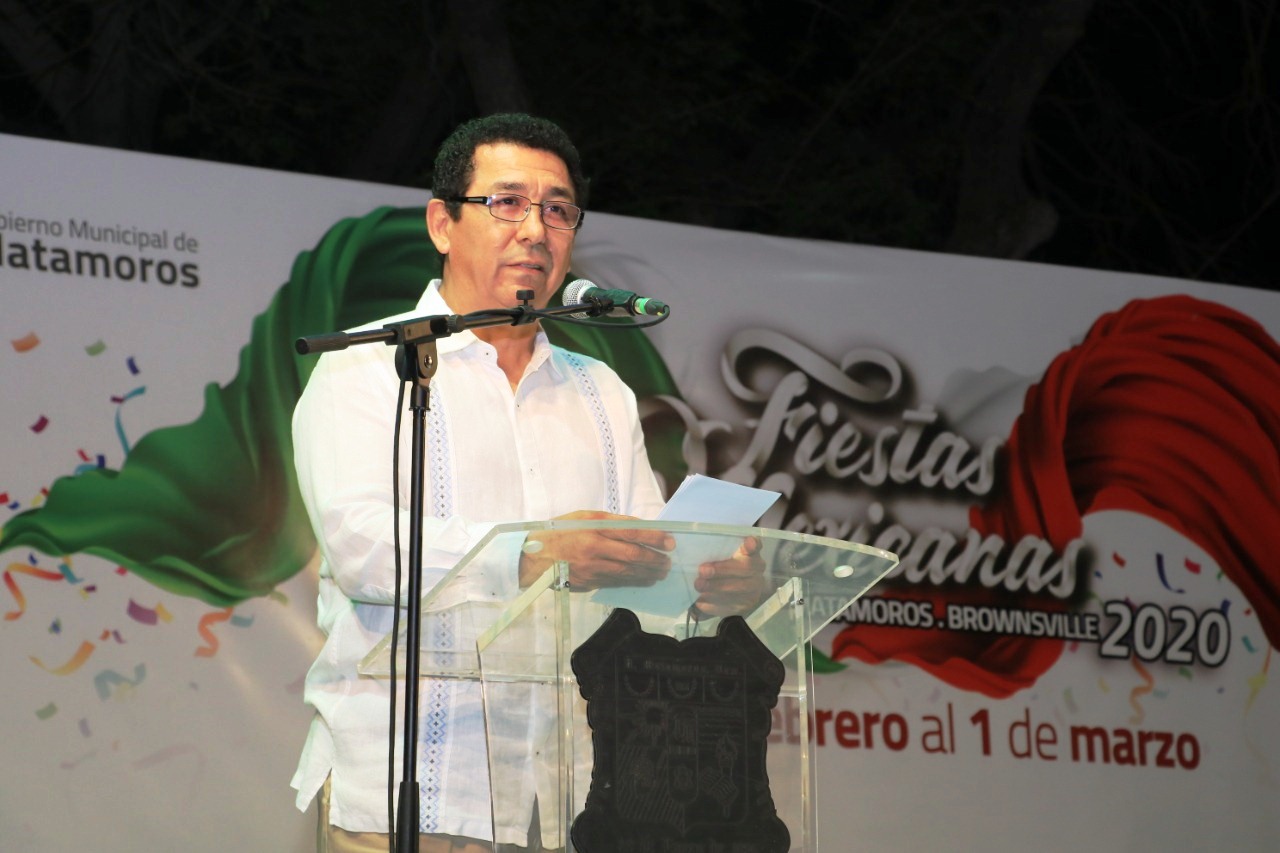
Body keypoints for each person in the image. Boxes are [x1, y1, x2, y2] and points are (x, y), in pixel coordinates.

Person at [290, 113, 762, 853]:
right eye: (507, 203)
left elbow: (645, 566)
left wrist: (709, 585)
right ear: (442, 224)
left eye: (558, 210)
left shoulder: (600, 391)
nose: (536, 230)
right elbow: (363, 550)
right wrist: (533, 553)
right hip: (408, 793)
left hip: (572, 797)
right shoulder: (364, 370)